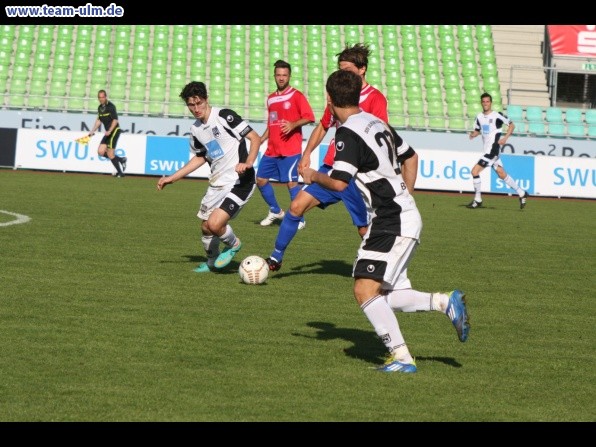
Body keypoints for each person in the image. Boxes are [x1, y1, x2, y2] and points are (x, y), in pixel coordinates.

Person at [300, 69, 470, 373]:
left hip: (391, 220)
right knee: (385, 296)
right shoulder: (377, 123)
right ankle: (445, 303)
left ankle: (402, 357)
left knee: (364, 290)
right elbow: (411, 156)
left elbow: (339, 183)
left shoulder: (347, 133)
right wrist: (406, 196)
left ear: (329, 98)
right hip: (398, 215)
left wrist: (312, 175)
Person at [266, 43, 388, 272]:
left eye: (347, 69)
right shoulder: (338, 96)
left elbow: (380, 132)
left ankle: (384, 268)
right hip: (331, 166)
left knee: (364, 229)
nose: (342, 74)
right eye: (340, 69)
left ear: (362, 70)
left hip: (357, 174)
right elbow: (323, 126)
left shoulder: (375, 98)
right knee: (296, 206)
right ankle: (275, 258)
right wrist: (306, 153)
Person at [156, 81, 261, 273]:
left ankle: (234, 244)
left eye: (199, 103)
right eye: (191, 105)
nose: (196, 109)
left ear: (206, 99)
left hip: (240, 181)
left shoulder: (224, 116)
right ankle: (212, 262)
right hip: (217, 184)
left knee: (215, 223)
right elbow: (200, 157)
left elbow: (255, 137)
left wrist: (248, 162)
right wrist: (172, 177)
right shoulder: (196, 130)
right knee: (206, 227)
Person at [257, 60, 315, 230]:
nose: (281, 78)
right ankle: (275, 210)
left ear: (289, 76)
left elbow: (309, 117)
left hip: (290, 149)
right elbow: (272, 123)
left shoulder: (296, 95)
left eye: (284, 75)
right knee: (260, 180)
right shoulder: (271, 99)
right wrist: (261, 139)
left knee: (292, 183)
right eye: (278, 75)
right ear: (274, 76)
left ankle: (300, 218)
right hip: (272, 150)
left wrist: (293, 124)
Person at [467, 92, 529, 209]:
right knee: (501, 174)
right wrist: (473, 134)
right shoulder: (479, 117)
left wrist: (505, 138)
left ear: (491, 103)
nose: (485, 103)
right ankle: (522, 192)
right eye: (483, 101)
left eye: (487, 101)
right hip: (487, 151)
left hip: (493, 151)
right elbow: (478, 130)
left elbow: (512, 125)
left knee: (474, 172)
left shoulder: (497, 115)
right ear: (481, 103)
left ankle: (478, 199)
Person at [88, 89, 127, 178]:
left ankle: (121, 173)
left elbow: (115, 120)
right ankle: (121, 159)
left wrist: (110, 130)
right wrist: (92, 131)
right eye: (99, 97)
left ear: (105, 97)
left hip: (114, 131)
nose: (101, 99)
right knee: (101, 152)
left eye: (102, 97)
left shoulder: (111, 107)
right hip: (108, 133)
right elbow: (99, 120)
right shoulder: (100, 108)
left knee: (110, 154)